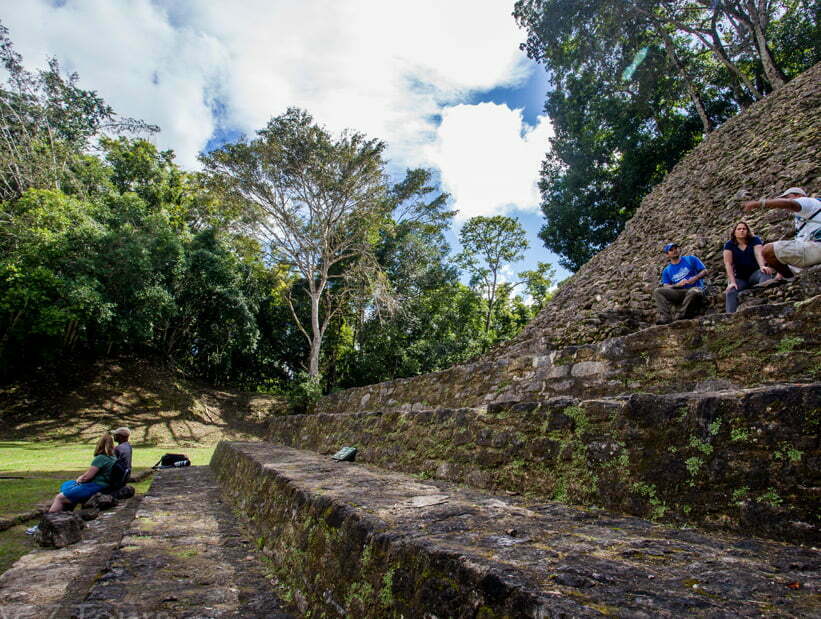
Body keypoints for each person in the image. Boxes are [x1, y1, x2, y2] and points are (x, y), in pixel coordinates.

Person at [743, 187, 821, 276]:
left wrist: (759, 203)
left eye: (787, 197)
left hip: (817, 246)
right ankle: (782, 277)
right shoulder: (804, 216)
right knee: (772, 260)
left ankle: (789, 278)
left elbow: (790, 204)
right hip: (812, 249)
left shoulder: (807, 200)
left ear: (799, 195)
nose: (785, 200)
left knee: (768, 250)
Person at [47, 433, 117, 513]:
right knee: (67, 484)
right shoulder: (113, 457)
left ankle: (50, 518)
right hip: (104, 485)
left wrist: (79, 479)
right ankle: (68, 507)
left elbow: (86, 477)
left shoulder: (101, 458)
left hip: (96, 486)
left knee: (60, 497)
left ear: (99, 444)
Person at [723, 221, 773, 313]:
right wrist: (732, 282)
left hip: (754, 274)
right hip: (740, 278)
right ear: (734, 232)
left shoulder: (755, 240)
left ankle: (764, 305)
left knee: (765, 273)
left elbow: (758, 254)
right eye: (739, 229)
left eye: (744, 229)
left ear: (747, 231)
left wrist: (762, 266)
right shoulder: (729, 245)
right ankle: (730, 317)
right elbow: (728, 264)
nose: (742, 231)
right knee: (731, 291)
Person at [653, 243, 708, 325]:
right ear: (667, 255)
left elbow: (705, 271)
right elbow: (666, 286)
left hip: (696, 288)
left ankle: (680, 316)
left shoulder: (691, 259)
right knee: (658, 291)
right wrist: (676, 285)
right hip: (680, 292)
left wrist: (695, 278)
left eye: (676, 248)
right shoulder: (667, 270)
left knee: (693, 292)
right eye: (671, 250)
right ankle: (666, 317)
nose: (674, 250)